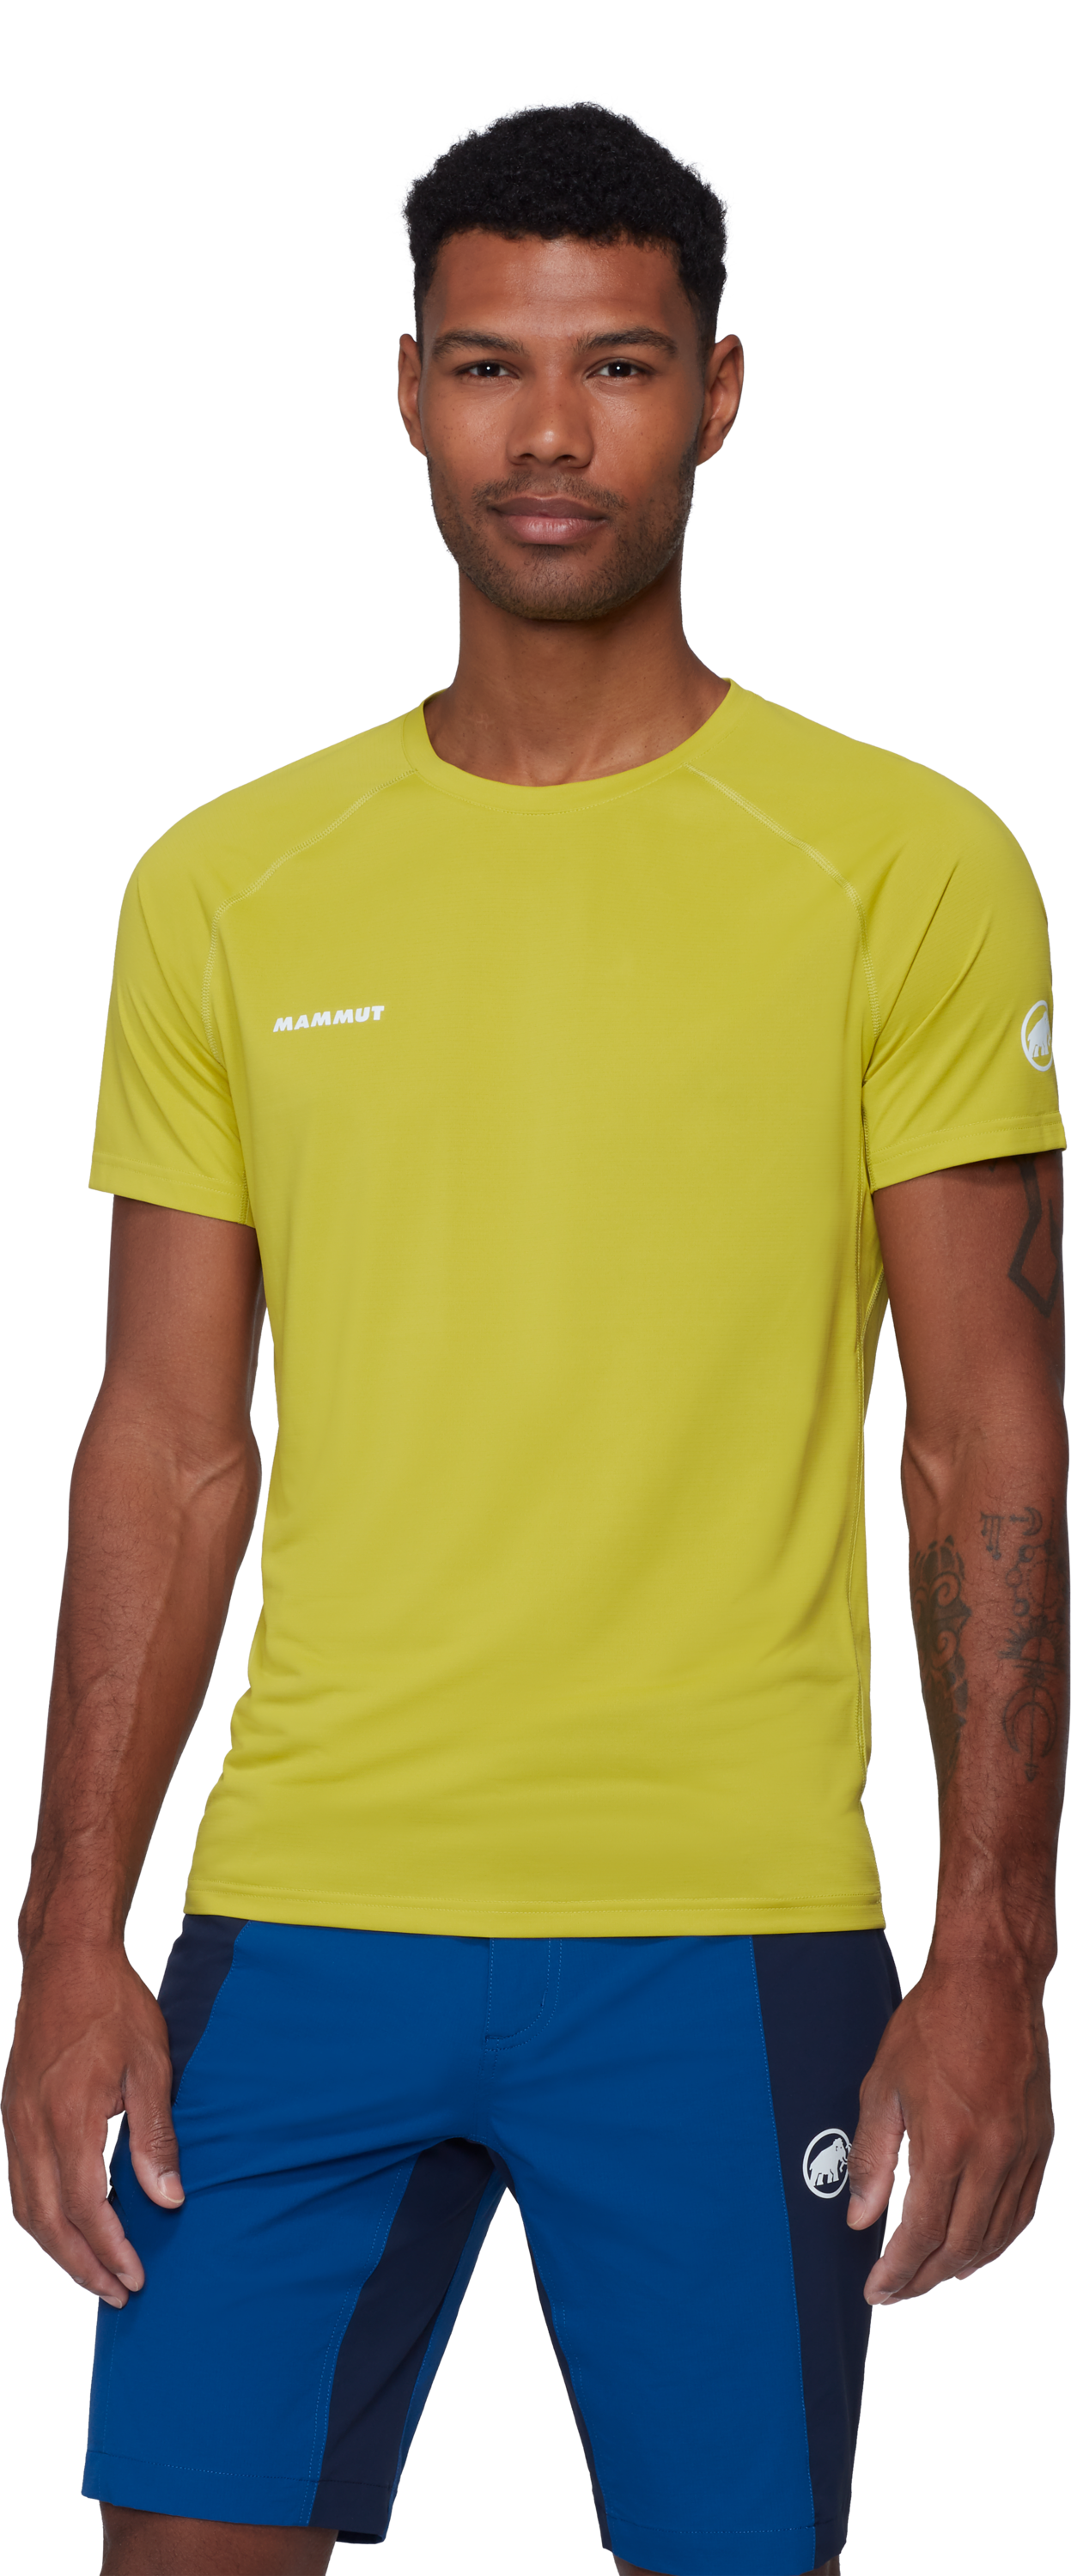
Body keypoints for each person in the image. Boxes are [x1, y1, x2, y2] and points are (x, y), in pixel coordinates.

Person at [3, 90, 1067, 2576]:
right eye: (490, 364)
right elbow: (166, 1440)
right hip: (306, 1900)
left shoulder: (900, 862)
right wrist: (69, 1936)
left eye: (616, 364)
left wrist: (996, 1952)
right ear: (408, 390)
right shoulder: (230, 882)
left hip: (728, 1925)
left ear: (719, 391)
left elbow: (984, 1443)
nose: (550, 432)